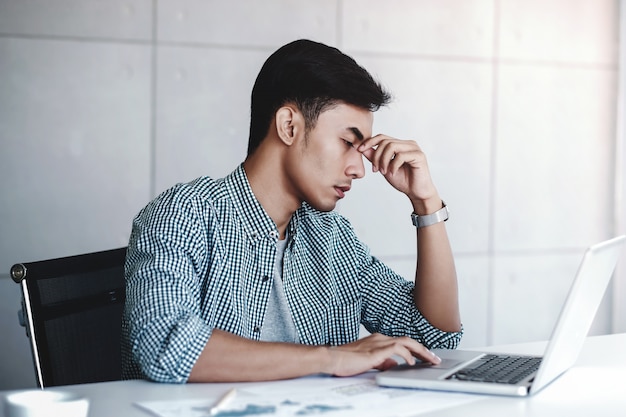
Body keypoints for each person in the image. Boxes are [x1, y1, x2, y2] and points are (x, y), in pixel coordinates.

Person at [121, 39, 462, 384]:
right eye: (348, 142)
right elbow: (166, 347)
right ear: (288, 126)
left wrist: (426, 203)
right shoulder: (184, 214)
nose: (359, 169)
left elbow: (435, 338)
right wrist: (332, 358)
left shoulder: (334, 238)